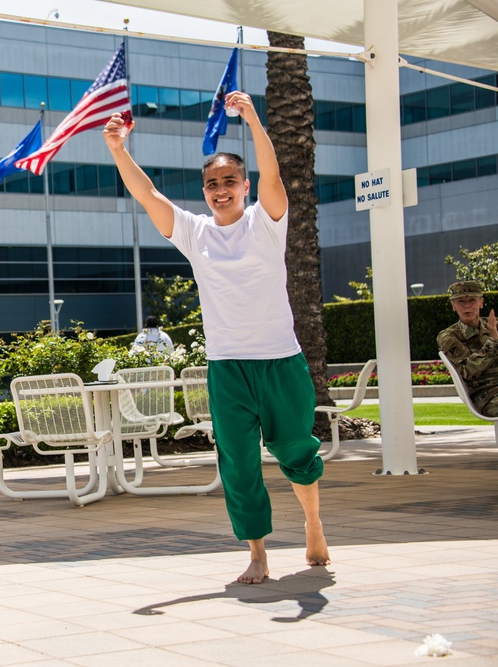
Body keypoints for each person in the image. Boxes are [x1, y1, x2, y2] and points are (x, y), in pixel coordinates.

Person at [103, 91, 329, 585]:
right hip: (228, 368)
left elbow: (273, 174)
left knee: (296, 450)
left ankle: (313, 524)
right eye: (212, 184)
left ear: (244, 185)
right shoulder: (194, 233)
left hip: (281, 361)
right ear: (204, 191)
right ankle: (258, 554)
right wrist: (119, 149)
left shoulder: (266, 223)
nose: (220, 189)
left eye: (229, 180)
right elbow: (149, 197)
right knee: (239, 465)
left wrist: (250, 116)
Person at [436, 280, 498, 417]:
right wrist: (492, 340)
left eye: (472, 301)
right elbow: (468, 370)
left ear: (481, 303)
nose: (467, 306)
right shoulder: (449, 336)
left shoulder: (495, 324)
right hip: (487, 394)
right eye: (461, 302)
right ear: (453, 306)